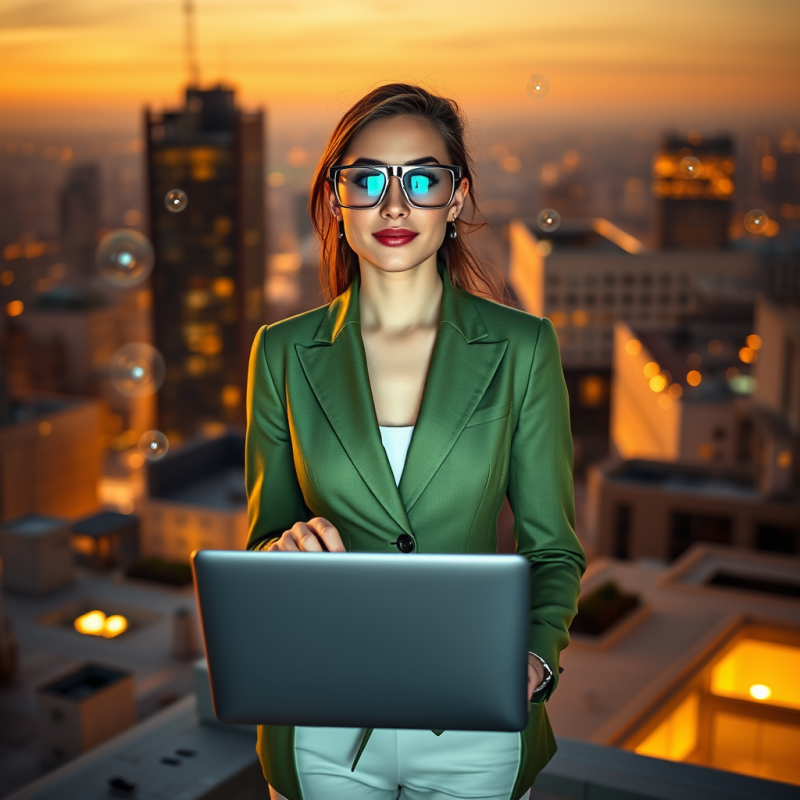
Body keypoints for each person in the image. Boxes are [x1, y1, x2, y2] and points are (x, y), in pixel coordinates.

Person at [245, 82, 586, 800]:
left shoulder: (524, 348)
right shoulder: (279, 352)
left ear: (456, 199)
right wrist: (284, 550)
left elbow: (551, 546)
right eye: (367, 178)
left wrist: (535, 655)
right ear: (336, 200)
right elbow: (262, 544)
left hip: (475, 722)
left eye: (421, 179)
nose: (393, 205)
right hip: (322, 719)